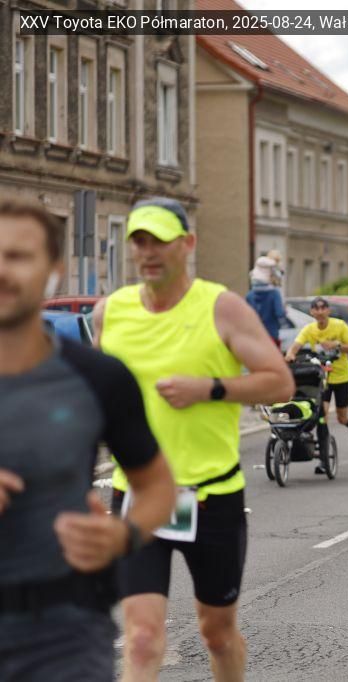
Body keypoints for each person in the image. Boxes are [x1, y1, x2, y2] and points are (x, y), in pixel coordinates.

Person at [93, 197, 295, 682]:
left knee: (217, 633)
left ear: (187, 244)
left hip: (211, 496)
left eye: (160, 241)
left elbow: (280, 383)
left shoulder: (222, 308)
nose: (148, 252)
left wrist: (210, 389)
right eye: (139, 241)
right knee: (142, 638)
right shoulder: (109, 313)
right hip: (138, 495)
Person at [0, 200, 175, 681]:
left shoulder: (98, 377)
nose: (2, 271)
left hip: (65, 631)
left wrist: (124, 535)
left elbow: (158, 486)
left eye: (18, 256)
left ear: (54, 269)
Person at [285, 296, 348, 457]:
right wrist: (290, 355)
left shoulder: (339, 326)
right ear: (312, 312)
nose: (320, 312)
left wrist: (337, 345)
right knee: (322, 415)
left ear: (328, 311)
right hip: (322, 379)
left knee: (342, 418)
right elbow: (295, 346)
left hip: (341, 377)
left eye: (323, 308)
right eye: (316, 309)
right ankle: (324, 455)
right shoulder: (309, 329)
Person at [245, 255, 286, 347]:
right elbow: (280, 313)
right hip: (271, 335)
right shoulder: (274, 293)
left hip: (254, 336)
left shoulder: (250, 295)